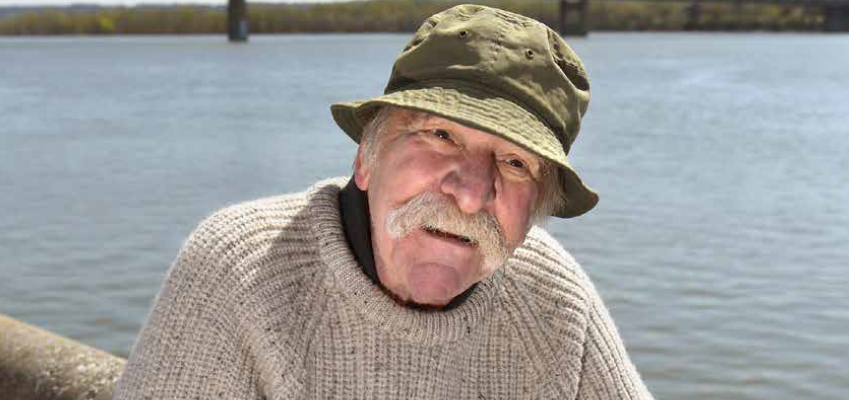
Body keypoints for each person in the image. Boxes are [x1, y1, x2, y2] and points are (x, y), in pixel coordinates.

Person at [115, 4, 654, 400]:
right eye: (440, 136)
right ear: (366, 158)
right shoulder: (240, 271)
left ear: (537, 206)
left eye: (514, 164)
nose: (470, 196)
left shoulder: (554, 300)